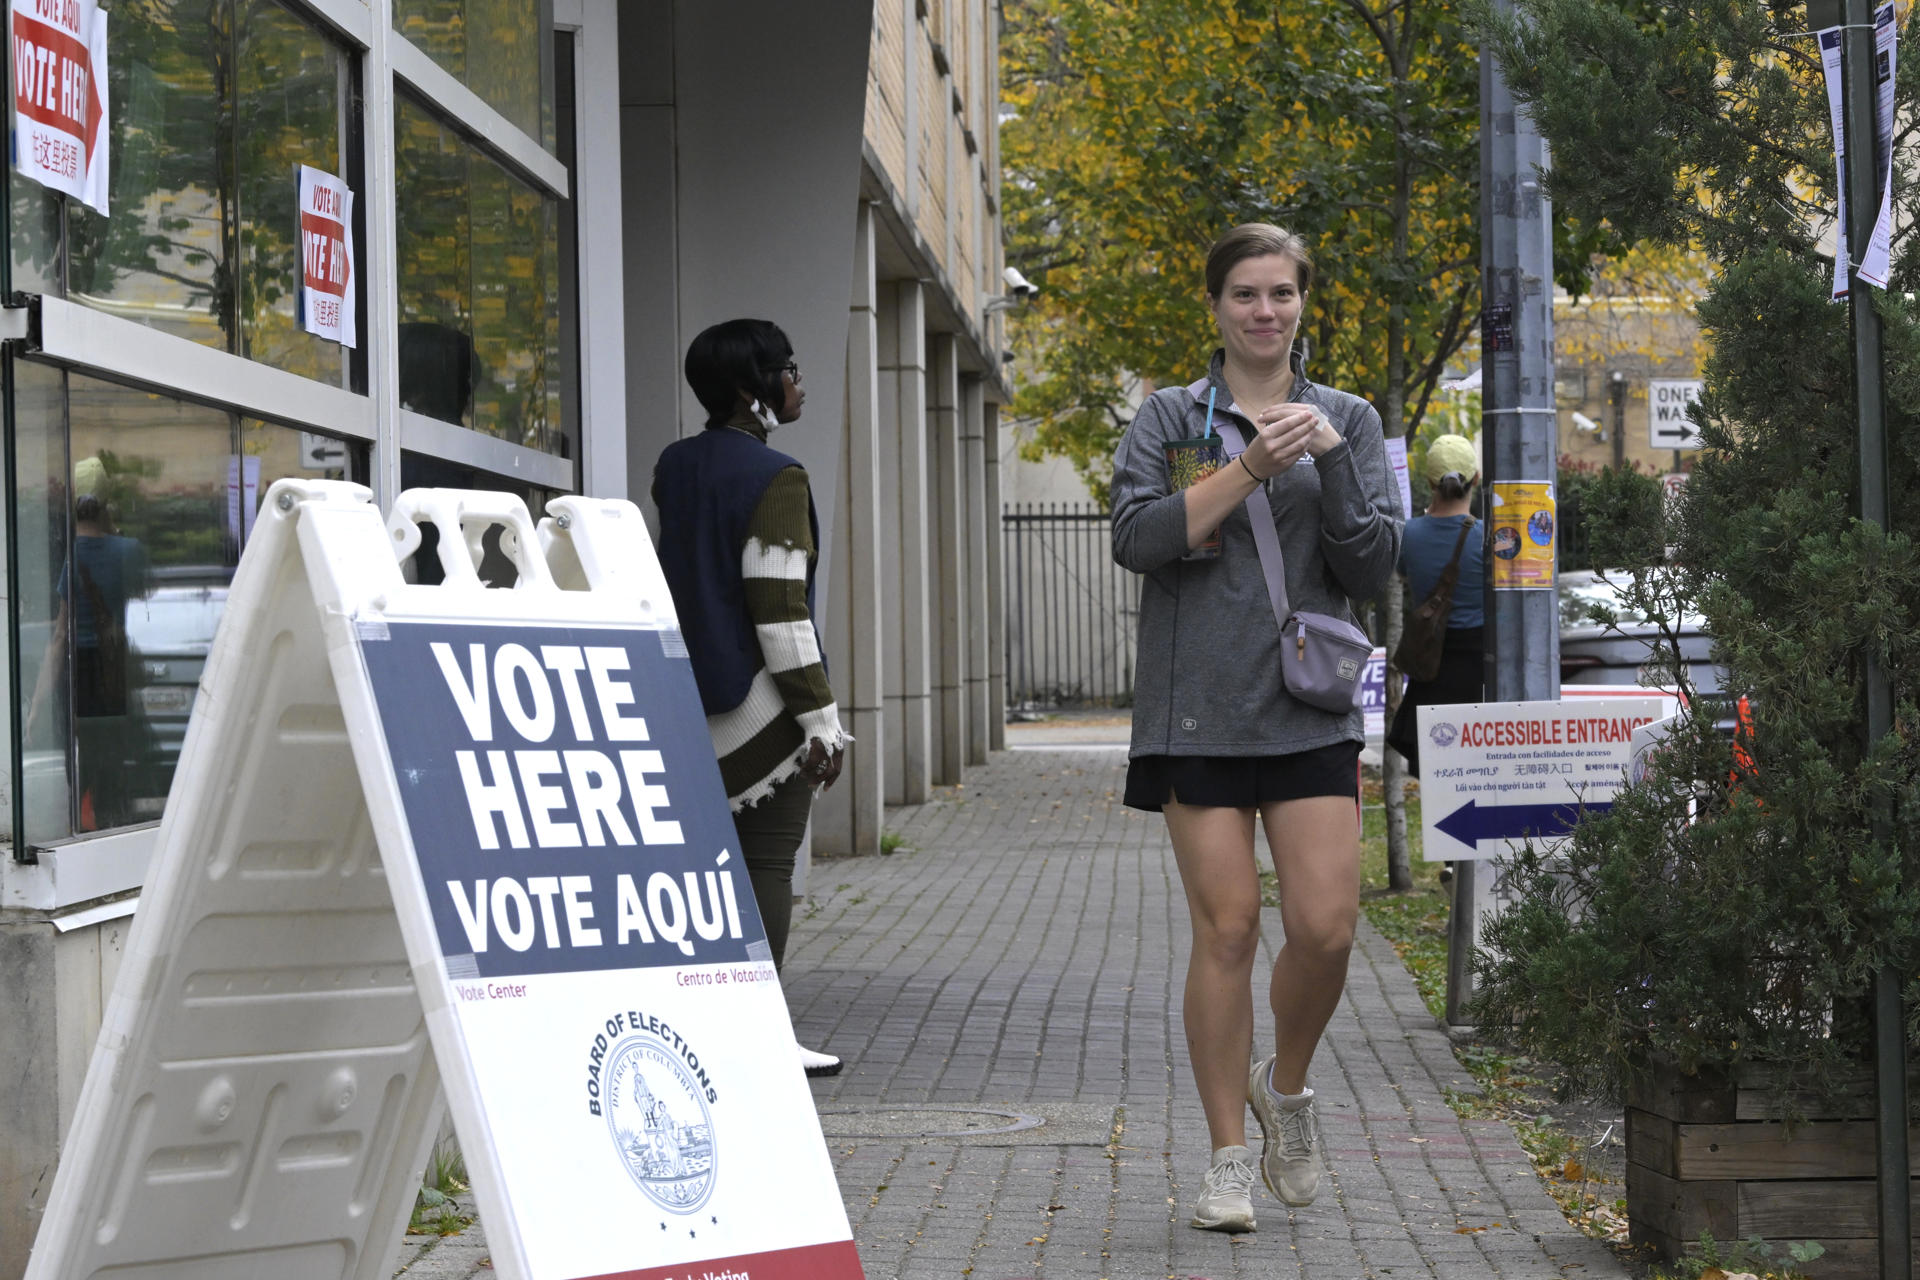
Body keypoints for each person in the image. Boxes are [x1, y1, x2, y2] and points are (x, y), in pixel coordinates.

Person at [1110, 224, 1402, 1230]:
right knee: (1228, 927)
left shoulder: (1348, 417)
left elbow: (1371, 566)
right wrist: (1243, 469)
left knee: (1325, 923)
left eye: (1281, 292)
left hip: (1309, 705)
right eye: (1245, 293)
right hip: (1196, 709)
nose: (1264, 310)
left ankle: (1287, 1088)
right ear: (1216, 306)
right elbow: (1137, 539)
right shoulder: (1169, 417)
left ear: (1302, 303)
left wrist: (1327, 460)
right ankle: (1229, 1153)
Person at [652, 318, 850, 1078]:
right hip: (762, 706)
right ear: (751, 389)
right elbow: (779, 609)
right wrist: (822, 722)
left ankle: (709, 1029)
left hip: (684, 697)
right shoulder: (778, 476)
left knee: (708, 873)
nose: (798, 382)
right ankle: (759, 1035)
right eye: (787, 369)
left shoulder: (675, 466)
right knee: (767, 866)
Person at [1386, 434, 1485, 777]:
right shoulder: (1491, 537)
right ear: (1476, 479)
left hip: (1431, 671)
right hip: (1480, 675)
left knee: (1437, 784)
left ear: (1430, 482)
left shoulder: (1408, 535)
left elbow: (1401, 575)